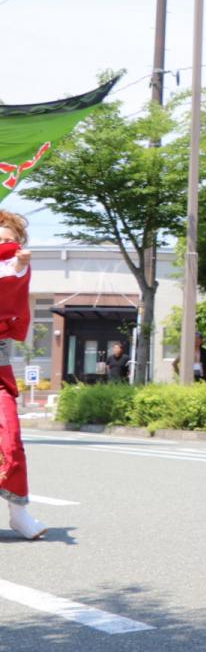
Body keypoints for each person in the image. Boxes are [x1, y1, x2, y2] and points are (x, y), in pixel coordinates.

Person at [0, 211, 46, 540]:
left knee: (11, 439)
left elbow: (12, 278)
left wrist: (18, 263)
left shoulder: (15, 268)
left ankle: (18, 513)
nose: (6, 244)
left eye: (10, 240)